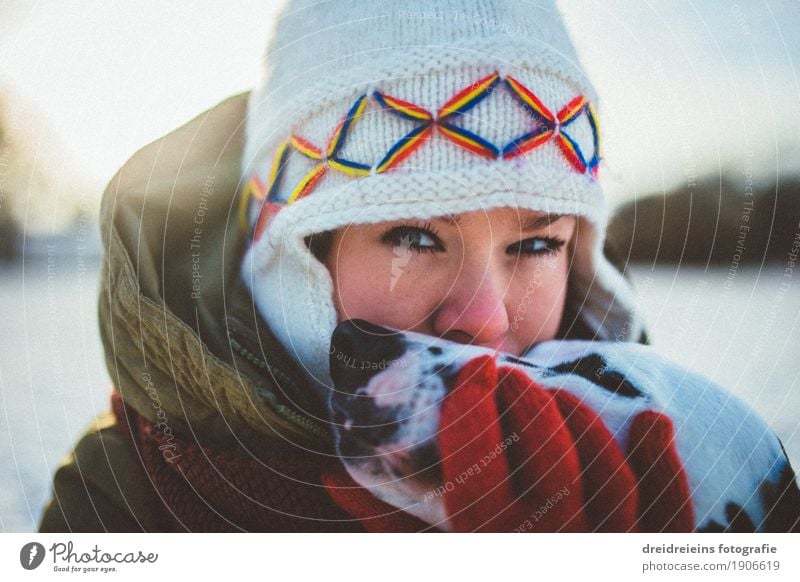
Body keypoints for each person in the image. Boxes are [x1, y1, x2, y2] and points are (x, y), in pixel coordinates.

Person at [39, 0, 648, 532]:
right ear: (287, 255)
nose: (485, 320)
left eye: (536, 246)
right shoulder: (125, 499)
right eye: (414, 237)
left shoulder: (665, 470)